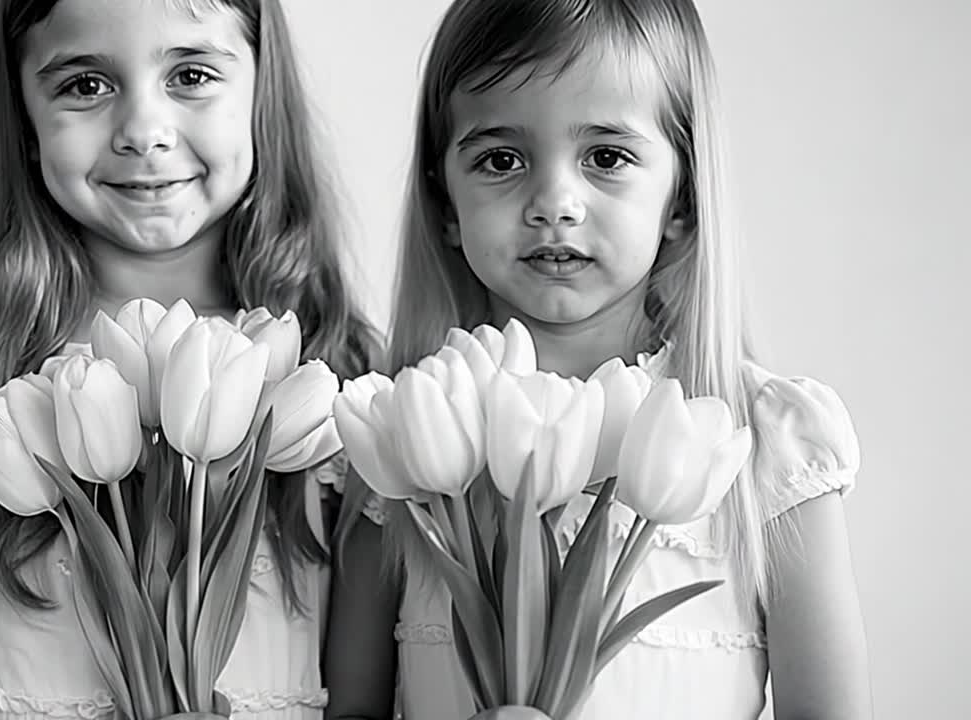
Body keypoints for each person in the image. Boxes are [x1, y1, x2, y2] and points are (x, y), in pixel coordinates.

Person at [0, 1, 376, 718]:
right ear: (22, 116)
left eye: (192, 74)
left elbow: (366, 703)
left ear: (263, 89)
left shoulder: (333, 376)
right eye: (84, 84)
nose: (142, 131)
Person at [325, 1, 871, 718]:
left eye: (606, 157)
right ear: (445, 204)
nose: (554, 201)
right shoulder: (400, 446)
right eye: (500, 159)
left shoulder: (765, 449)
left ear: (682, 196)